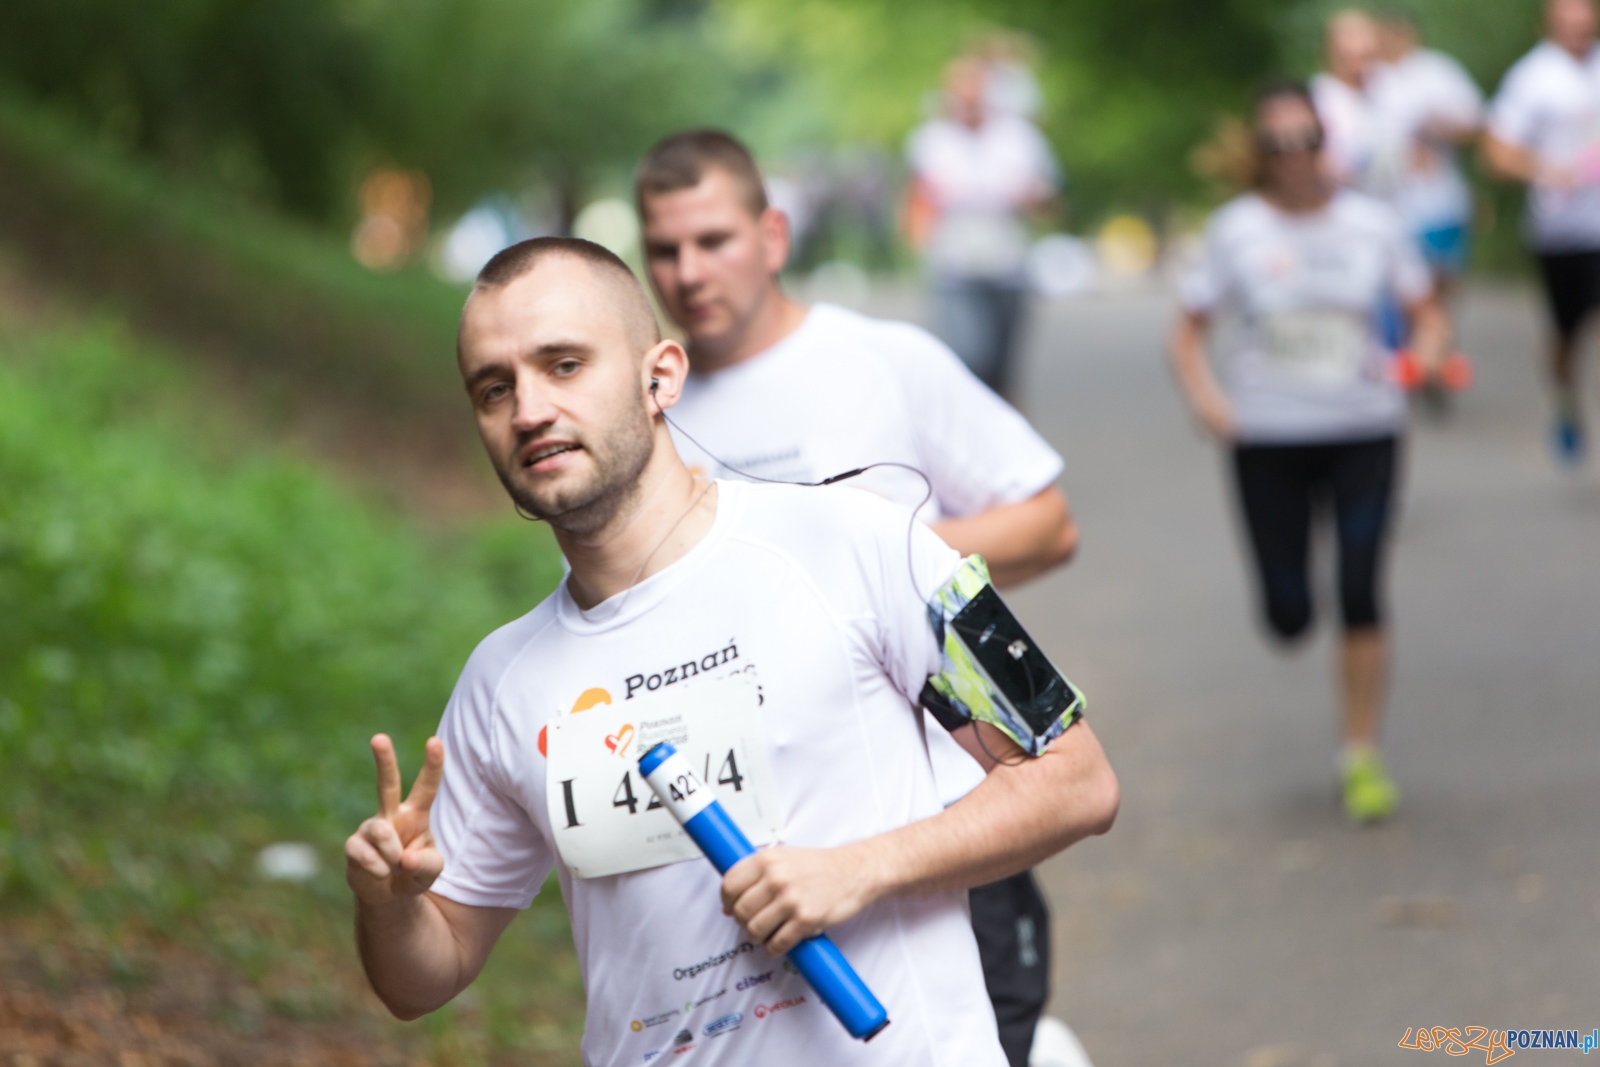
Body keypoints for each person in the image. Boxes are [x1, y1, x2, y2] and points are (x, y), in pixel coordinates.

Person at [343, 236, 1120, 1066]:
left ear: (660, 376)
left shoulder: (861, 539)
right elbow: (426, 974)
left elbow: (1076, 776)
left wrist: (860, 868)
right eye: (494, 389)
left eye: (563, 364)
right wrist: (388, 904)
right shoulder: (503, 680)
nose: (529, 408)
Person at [634, 128, 1080, 1067]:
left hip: (946, 793)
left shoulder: (879, 358)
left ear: (773, 235)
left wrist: (866, 560)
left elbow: (1047, 522)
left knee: (994, 1028)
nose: (687, 270)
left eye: (712, 239)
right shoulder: (650, 415)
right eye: (664, 248)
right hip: (761, 832)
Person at [1168, 82, 1451, 824]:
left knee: (1361, 587)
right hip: (1269, 437)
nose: (1295, 157)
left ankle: (1360, 753)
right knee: (1290, 615)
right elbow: (1187, 331)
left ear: (1328, 145)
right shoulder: (1236, 230)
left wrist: (1418, 360)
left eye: (1307, 141)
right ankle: (1292, 608)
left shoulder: (1372, 224)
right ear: (1259, 155)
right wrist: (1207, 400)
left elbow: (1426, 314)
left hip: (1366, 426)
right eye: (1278, 144)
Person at [1484, 0, 1600, 465]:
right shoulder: (1531, 78)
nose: (1577, 29)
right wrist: (1548, 169)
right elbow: (1496, 152)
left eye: (1584, 20)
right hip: (1560, 230)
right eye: (1566, 22)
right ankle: (1567, 402)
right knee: (1567, 335)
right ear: (1548, 25)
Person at [905, 57, 1060, 396]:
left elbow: (1049, 199)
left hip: (1008, 264)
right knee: (971, 358)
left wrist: (1031, 197)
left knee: (1003, 370)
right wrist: (919, 238)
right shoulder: (931, 140)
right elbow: (916, 198)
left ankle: (1007, 438)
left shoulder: (1019, 138)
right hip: (955, 266)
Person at [1370, 11, 1485, 299]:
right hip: (1386, 204)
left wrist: (1438, 129)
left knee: (1438, 289)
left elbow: (1476, 125)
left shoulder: (1438, 70)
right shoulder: (1370, 76)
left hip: (1438, 202)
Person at [1312, 10, 1383, 189]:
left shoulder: (1391, 89)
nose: (1358, 45)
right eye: (1350, 37)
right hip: (1343, 199)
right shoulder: (1319, 96)